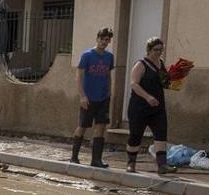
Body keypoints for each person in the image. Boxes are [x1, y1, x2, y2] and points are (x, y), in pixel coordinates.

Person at [125, 37, 173, 175]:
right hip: (139, 107)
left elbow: (165, 83)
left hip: (157, 107)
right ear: (149, 50)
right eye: (155, 50)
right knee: (135, 135)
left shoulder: (161, 64)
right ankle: (131, 163)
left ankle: (162, 165)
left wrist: (175, 78)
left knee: (161, 133)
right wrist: (147, 97)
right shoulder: (141, 64)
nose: (158, 53)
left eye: (160, 50)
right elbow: (134, 84)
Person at [72, 27, 115, 167]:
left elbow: (108, 75)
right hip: (88, 97)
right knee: (83, 126)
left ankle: (96, 160)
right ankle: (74, 157)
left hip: (103, 97)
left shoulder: (109, 57)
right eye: (102, 39)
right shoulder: (87, 55)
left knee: (100, 126)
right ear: (97, 39)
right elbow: (79, 76)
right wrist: (82, 96)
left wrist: (109, 92)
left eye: (107, 40)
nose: (104, 42)